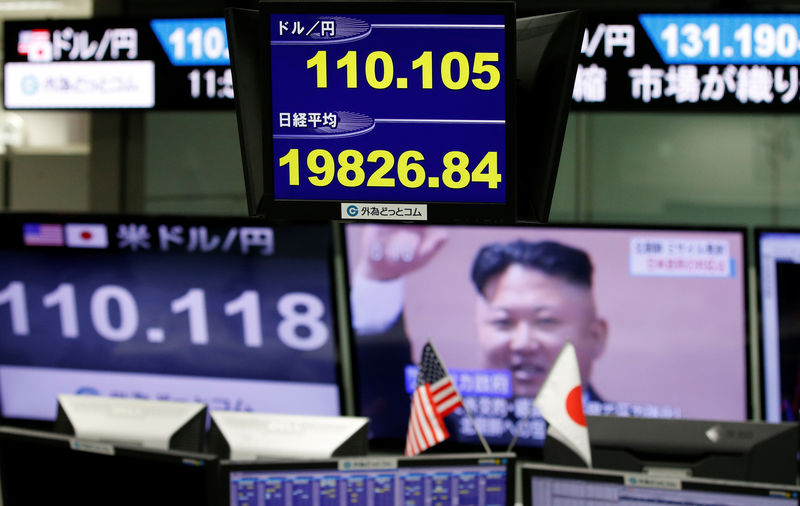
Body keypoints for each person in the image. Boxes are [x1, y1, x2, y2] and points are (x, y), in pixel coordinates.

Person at [349, 224, 609, 441]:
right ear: (478, 331)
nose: (523, 343)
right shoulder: (441, 422)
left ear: (597, 336)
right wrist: (379, 280)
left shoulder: (623, 430)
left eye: (545, 322)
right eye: (503, 323)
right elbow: (380, 392)